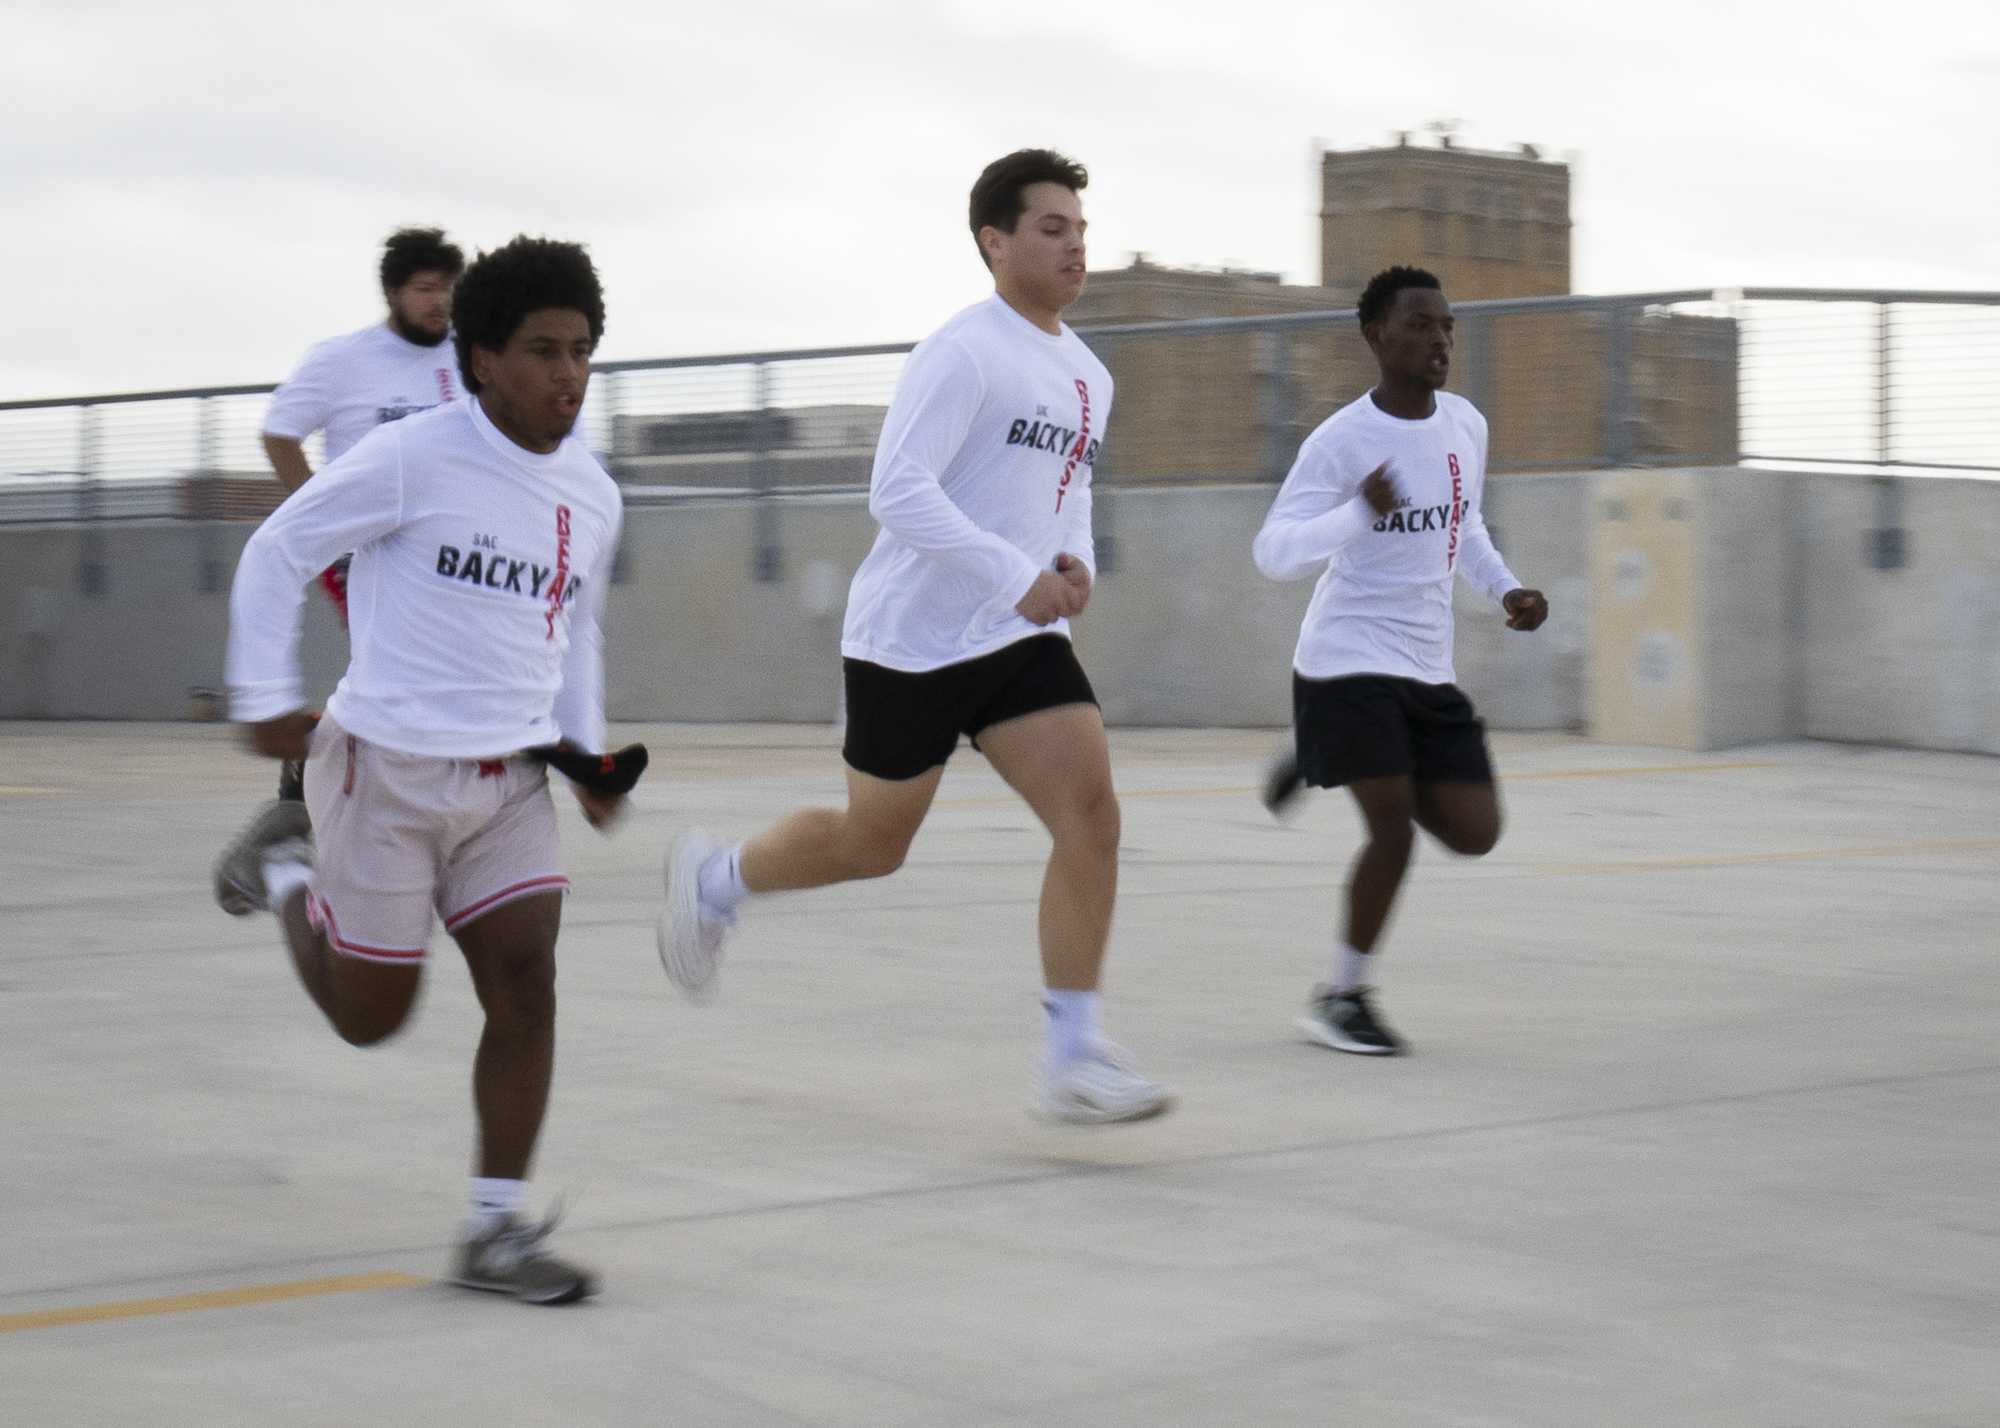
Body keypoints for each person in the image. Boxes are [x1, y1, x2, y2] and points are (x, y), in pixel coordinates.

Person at [657, 149, 1172, 1125]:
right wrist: (1008, 573)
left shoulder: (1087, 375)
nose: (1072, 246)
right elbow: (895, 489)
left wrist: (1071, 561)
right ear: (994, 241)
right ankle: (714, 880)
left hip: (1015, 642)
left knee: (1091, 814)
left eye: (1079, 230)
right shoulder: (964, 349)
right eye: (1050, 228)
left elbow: (1072, 486)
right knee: (871, 844)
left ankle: (1070, 1056)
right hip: (909, 640)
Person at [213, 236, 623, 1303]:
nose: (567, 374)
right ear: (481, 358)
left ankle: (495, 1233)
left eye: (581, 351)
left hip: (506, 784)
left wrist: (586, 753)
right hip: (381, 770)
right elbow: (276, 554)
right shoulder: (411, 457)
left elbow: (574, 628)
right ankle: (290, 874)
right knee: (371, 1017)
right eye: (542, 350)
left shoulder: (591, 490)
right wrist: (262, 700)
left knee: (526, 982)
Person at [1252, 265, 1549, 1056]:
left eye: (1448, 325)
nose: (1440, 338)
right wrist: (1355, 514)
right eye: (1420, 325)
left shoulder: (1465, 426)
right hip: (1346, 658)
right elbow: (1273, 551)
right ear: (1376, 336)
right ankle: (1340, 998)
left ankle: (1327, 754)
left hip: (1426, 665)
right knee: (1393, 833)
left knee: (1476, 832)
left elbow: (1467, 527)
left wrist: (1507, 588)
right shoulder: (1342, 440)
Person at [262, 227, 467, 800]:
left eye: (449, 288)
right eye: (426, 288)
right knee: (400, 670)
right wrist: (320, 520)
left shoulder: (471, 358)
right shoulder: (342, 360)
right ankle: (325, 780)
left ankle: (330, 767)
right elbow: (279, 434)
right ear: (393, 293)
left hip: (447, 550)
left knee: (416, 676)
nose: (440, 301)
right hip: (364, 551)